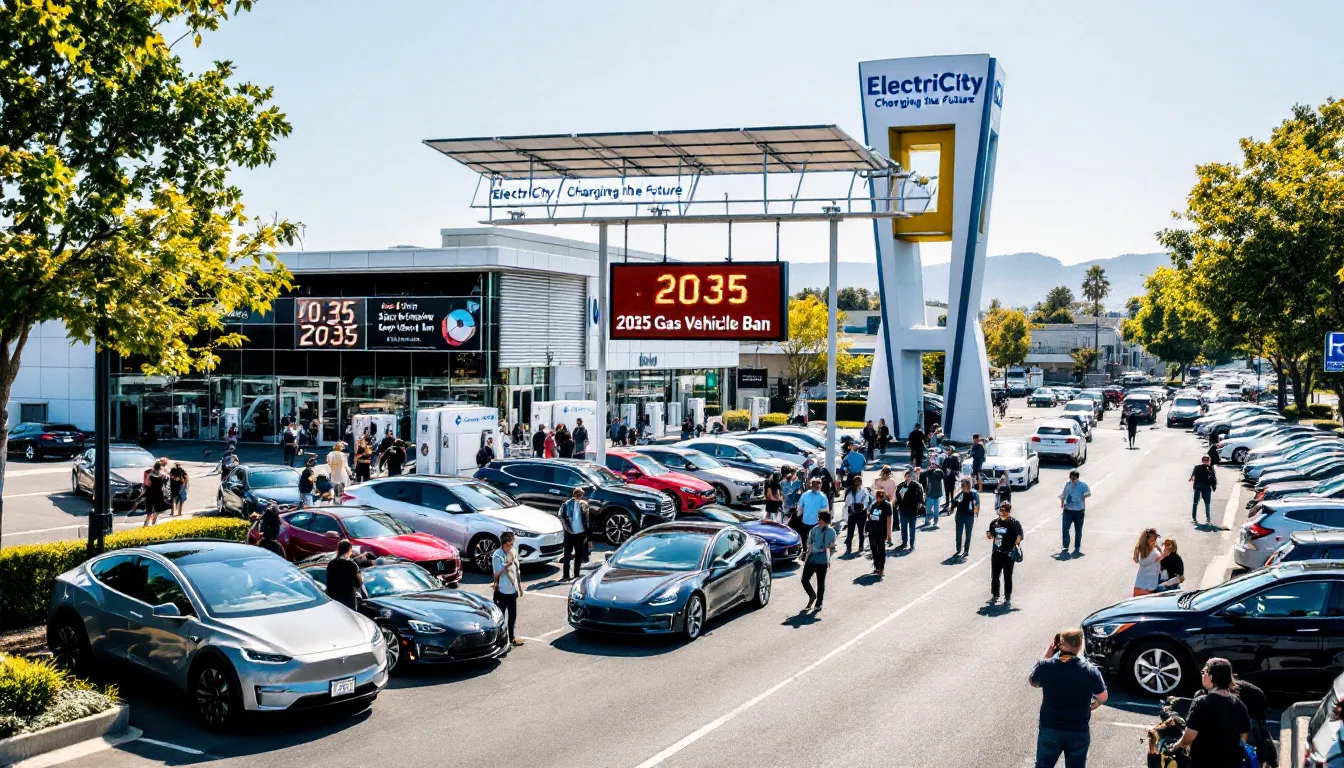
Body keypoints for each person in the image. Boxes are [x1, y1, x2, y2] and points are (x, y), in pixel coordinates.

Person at [1028, 628, 1108, 768]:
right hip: (1078, 729)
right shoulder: (1090, 670)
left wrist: (1047, 656)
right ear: (1079, 645)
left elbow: (1033, 681)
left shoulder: (1046, 666)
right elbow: (1103, 696)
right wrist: (1094, 705)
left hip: (1050, 727)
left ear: (1059, 644)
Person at [1171, 658, 1250, 768]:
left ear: (1211, 677)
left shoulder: (1201, 702)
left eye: (1204, 672)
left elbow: (1189, 736)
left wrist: (1176, 746)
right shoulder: (1239, 705)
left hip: (1204, 762)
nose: (1202, 675)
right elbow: (1243, 737)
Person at [491, 531, 524, 647]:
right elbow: (495, 576)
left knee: (513, 615)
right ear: (503, 543)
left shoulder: (512, 552)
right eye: (509, 545)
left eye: (512, 544)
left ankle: (511, 638)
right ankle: (500, 641)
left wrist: (519, 587)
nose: (511, 547)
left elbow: (516, 569)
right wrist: (505, 568)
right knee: (500, 617)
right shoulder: (497, 555)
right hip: (502, 591)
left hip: (512, 590)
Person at [988, 501, 1024, 604]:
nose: (1002, 513)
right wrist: (989, 535)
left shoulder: (1014, 523)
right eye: (1001, 510)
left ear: (1009, 511)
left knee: (1007, 577)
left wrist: (1015, 545)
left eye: (1005, 511)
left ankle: (1007, 597)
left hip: (1008, 554)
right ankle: (995, 595)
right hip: (996, 553)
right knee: (995, 575)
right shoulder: (994, 523)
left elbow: (1020, 535)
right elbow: (991, 534)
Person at [801, 510, 837, 611]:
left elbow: (830, 547)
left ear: (827, 521)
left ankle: (819, 603)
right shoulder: (813, 530)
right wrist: (809, 550)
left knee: (820, 583)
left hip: (822, 561)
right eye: (819, 520)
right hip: (812, 558)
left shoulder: (831, 532)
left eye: (822, 520)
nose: (819, 522)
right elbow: (809, 545)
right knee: (804, 579)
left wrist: (829, 549)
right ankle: (812, 594)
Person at [325, 539, 365, 611]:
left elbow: (329, 582)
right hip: (348, 599)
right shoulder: (352, 565)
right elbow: (358, 584)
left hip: (334, 599)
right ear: (349, 550)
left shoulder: (331, 564)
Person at [559, 487, 589, 580]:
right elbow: (562, 517)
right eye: (580, 495)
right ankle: (566, 575)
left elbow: (587, 520)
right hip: (570, 533)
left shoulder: (583, 504)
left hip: (580, 533)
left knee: (578, 555)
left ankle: (576, 574)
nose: (581, 497)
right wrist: (567, 528)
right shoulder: (567, 504)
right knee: (567, 554)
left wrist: (587, 534)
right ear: (576, 494)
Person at [1059, 470, 1091, 557]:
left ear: (1078, 478)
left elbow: (1088, 493)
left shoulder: (1083, 485)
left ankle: (1077, 547)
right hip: (1068, 511)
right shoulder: (1067, 485)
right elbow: (1062, 494)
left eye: (1074, 478)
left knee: (1078, 530)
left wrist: (1081, 497)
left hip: (1079, 511)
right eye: (1071, 478)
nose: (1072, 480)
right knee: (1065, 528)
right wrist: (1062, 503)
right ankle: (1065, 546)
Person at [842, 474, 872, 554]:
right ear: (854, 482)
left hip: (862, 512)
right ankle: (848, 547)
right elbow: (846, 501)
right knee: (850, 531)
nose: (858, 484)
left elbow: (867, 500)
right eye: (856, 482)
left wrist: (864, 507)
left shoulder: (864, 490)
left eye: (859, 482)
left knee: (861, 531)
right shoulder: (850, 490)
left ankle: (861, 546)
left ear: (861, 482)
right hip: (852, 513)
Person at [895, 467, 924, 550]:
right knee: (903, 527)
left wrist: (920, 505)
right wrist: (898, 500)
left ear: (912, 477)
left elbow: (920, 497)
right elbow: (897, 497)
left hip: (912, 510)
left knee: (912, 528)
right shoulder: (901, 485)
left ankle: (912, 544)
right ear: (904, 477)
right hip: (903, 509)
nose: (908, 477)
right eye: (907, 476)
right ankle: (904, 543)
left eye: (910, 476)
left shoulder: (917, 485)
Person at [951, 477, 980, 558]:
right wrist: (952, 506)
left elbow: (977, 505)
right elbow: (954, 503)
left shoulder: (974, 494)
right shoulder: (960, 493)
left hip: (969, 516)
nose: (963, 486)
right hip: (959, 515)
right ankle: (958, 549)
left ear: (969, 485)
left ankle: (966, 550)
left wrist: (975, 513)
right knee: (959, 533)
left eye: (965, 485)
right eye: (962, 485)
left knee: (968, 534)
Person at [867, 489, 894, 576]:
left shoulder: (887, 505)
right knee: (873, 549)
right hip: (872, 531)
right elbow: (870, 517)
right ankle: (876, 566)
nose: (877, 498)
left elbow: (889, 520)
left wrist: (889, 534)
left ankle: (881, 567)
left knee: (881, 550)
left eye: (879, 497)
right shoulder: (874, 505)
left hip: (882, 532)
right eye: (876, 497)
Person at [796, 477, 829, 543]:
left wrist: (798, 514)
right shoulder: (822, 496)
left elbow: (799, 507)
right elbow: (826, 509)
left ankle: (805, 550)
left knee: (805, 537)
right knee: (814, 539)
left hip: (806, 520)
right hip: (815, 522)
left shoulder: (805, 494)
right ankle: (810, 550)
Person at [1133, 528, 1162, 597]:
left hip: (1142, 584)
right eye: (1152, 540)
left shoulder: (1144, 550)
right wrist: (1161, 550)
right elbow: (1159, 558)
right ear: (1146, 541)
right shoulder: (1151, 553)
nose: (1154, 541)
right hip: (1148, 585)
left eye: (1155, 539)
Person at [1190, 455, 1217, 525]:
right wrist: (1213, 487)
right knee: (1207, 503)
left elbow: (1192, 477)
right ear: (1208, 461)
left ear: (1202, 461)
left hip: (1198, 486)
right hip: (1207, 487)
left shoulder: (1197, 467)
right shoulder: (1210, 468)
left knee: (1195, 503)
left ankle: (1194, 518)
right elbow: (1214, 478)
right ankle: (1208, 519)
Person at [143, 459, 170, 526]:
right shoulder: (163, 475)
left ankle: (146, 525)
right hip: (159, 493)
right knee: (157, 510)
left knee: (149, 511)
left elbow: (147, 483)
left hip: (150, 492)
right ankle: (154, 523)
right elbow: (166, 481)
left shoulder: (150, 474)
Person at [922, 458, 944, 528]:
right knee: (932, 509)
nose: (933, 467)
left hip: (934, 494)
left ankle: (932, 522)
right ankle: (929, 521)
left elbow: (942, 475)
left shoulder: (938, 473)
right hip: (932, 494)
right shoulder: (929, 473)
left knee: (934, 509)